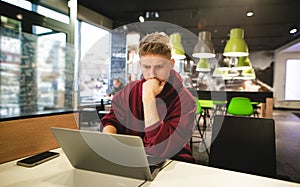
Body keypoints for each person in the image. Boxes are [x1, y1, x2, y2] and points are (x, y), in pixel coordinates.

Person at [101, 32, 196, 163]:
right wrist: (109, 140)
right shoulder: (130, 90)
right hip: (132, 161)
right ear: (140, 64)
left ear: (171, 64)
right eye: (146, 67)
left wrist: (148, 98)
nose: (152, 74)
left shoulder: (185, 101)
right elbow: (112, 120)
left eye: (159, 67)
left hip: (172, 164)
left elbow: (159, 149)